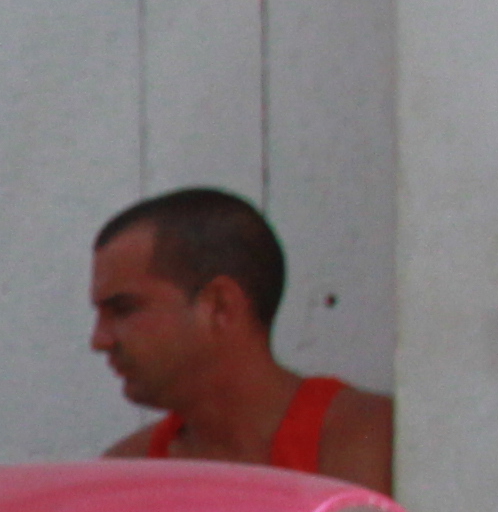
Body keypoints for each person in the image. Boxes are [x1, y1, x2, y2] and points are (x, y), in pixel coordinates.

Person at [86, 186, 395, 489]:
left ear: (220, 306)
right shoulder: (127, 474)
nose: (99, 341)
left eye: (124, 310)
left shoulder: (371, 440)